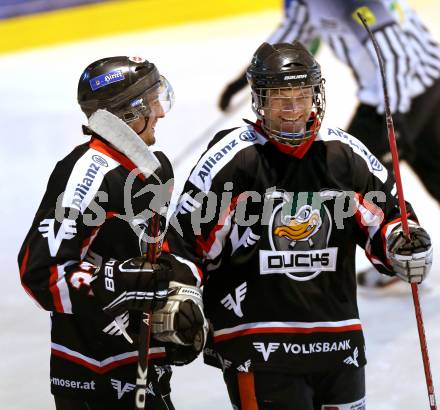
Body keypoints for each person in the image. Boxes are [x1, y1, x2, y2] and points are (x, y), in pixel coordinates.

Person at [162, 41, 433, 409]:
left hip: (339, 343)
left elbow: (389, 218)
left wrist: (403, 241)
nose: (292, 109)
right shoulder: (232, 160)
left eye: (301, 95)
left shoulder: (344, 154)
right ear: (260, 100)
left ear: (315, 95)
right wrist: (179, 292)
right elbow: (184, 243)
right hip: (258, 346)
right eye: (279, 97)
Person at [18, 56, 207, 410]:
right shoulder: (85, 175)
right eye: (153, 103)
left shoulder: (151, 169)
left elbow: (169, 251)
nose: (161, 113)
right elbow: (40, 274)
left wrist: (180, 289)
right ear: (127, 114)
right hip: (92, 379)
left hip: (146, 373)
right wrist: (114, 281)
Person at [219, 0, 440, 288]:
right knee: (431, 172)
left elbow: (397, 56)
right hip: (404, 90)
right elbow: (293, 31)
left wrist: (395, 117)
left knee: (351, 177)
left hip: (407, 91)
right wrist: (248, 77)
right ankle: (398, 255)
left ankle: (376, 258)